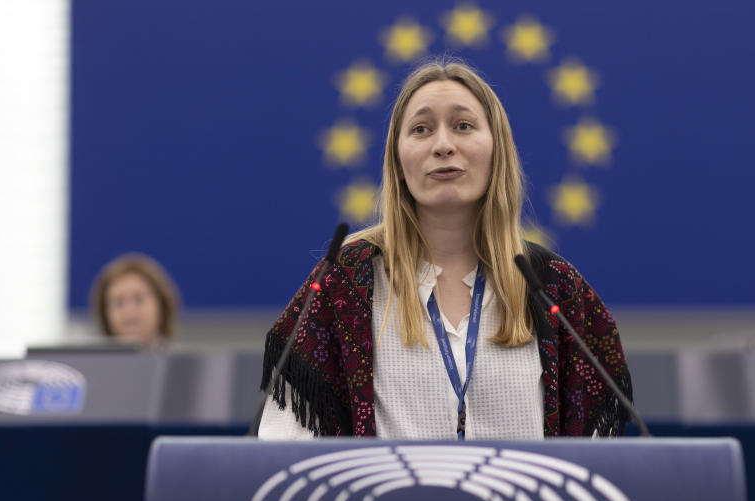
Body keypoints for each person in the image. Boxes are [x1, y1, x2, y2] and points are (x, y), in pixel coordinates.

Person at [258, 59, 632, 440]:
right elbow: (282, 452)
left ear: (496, 150)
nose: (443, 145)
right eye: (421, 129)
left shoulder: (554, 287)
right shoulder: (345, 283)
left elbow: (598, 465)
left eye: (463, 125)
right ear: (399, 162)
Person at [90, 253, 180, 350]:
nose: (129, 311)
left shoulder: (182, 363)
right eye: (119, 302)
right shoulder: (91, 364)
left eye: (138, 299)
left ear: (161, 305)